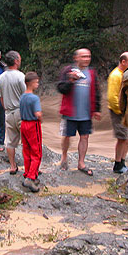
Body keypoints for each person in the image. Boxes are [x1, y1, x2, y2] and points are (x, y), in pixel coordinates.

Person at [57, 48, 101, 176]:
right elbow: (60, 88)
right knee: (67, 136)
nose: (87, 59)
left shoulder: (92, 73)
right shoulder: (68, 71)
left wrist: (97, 109)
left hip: (86, 112)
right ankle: (64, 157)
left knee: (85, 137)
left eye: (88, 56)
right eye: (83, 56)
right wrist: (70, 81)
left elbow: (97, 91)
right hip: (70, 111)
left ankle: (81, 162)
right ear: (76, 58)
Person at [0, 51, 26, 174]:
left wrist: (6, 109)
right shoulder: (21, 76)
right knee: (26, 141)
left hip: (8, 112)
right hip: (21, 111)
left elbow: (1, 97)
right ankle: (29, 167)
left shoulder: (1, 77)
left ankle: (13, 166)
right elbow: (26, 95)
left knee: (10, 141)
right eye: (19, 59)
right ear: (15, 61)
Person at [107, 52, 128, 174]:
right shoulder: (116, 75)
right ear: (123, 62)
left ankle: (122, 161)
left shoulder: (125, 74)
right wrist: (121, 110)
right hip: (118, 112)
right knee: (122, 138)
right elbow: (112, 97)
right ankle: (118, 164)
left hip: (127, 111)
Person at [20, 72, 43, 193]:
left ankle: (27, 172)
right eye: (36, 82)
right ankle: (31, 177)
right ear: (31, 83)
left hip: (23, 124)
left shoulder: (22, 96)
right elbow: (38, 114)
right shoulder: (34, 98)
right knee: (36, 152)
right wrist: (41, 119)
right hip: (33, 125)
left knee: (27, 150)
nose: (38, 84)